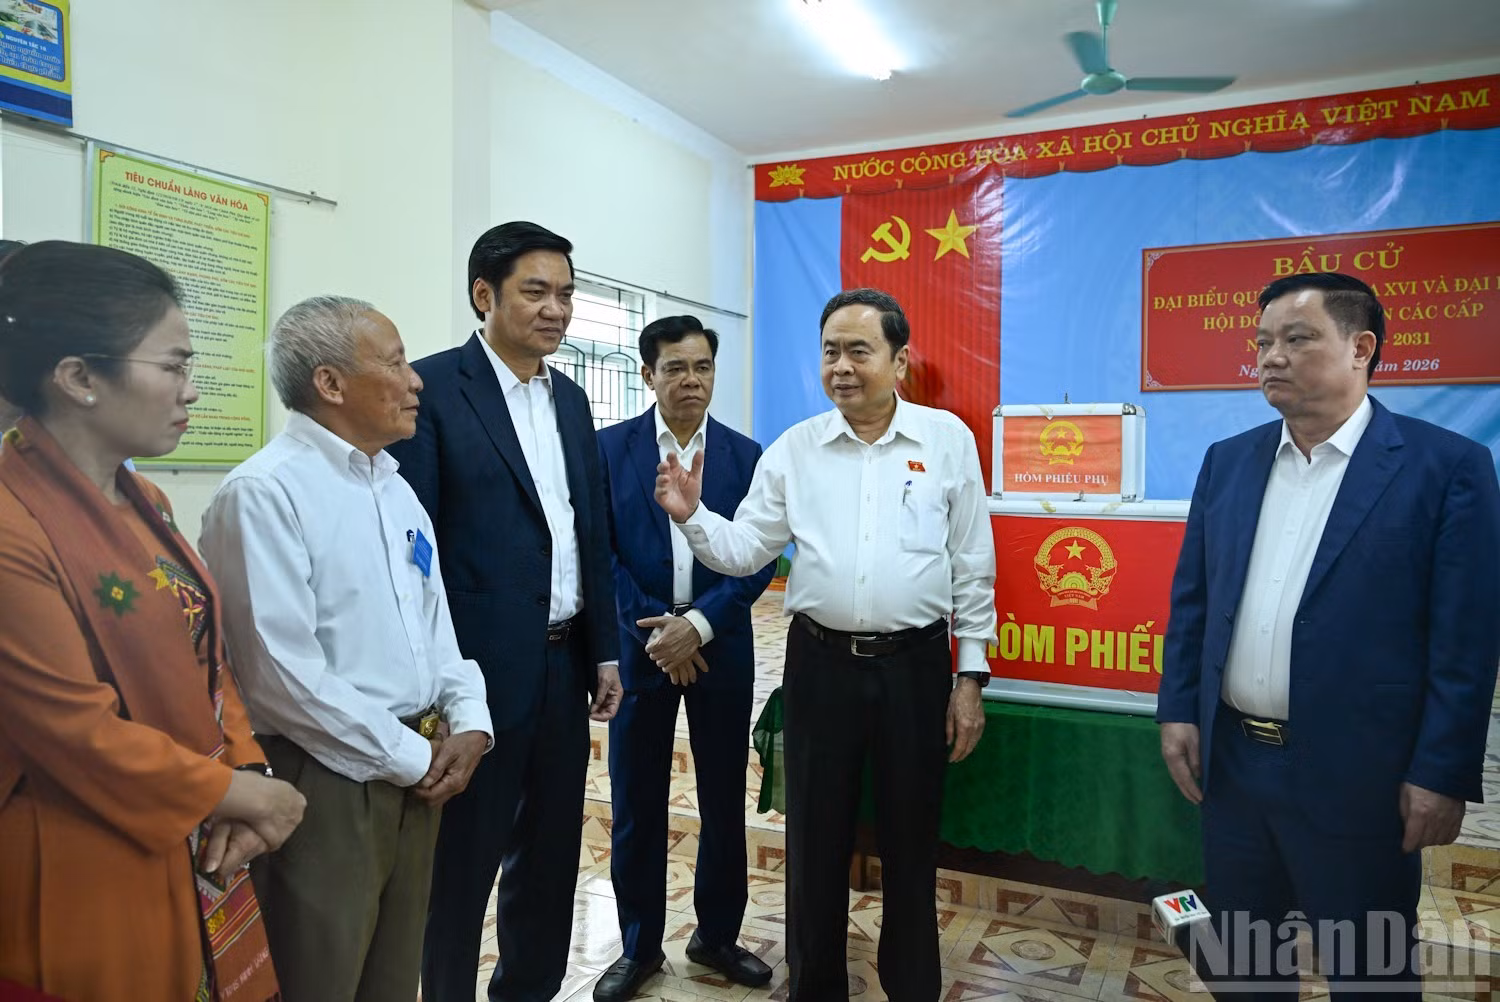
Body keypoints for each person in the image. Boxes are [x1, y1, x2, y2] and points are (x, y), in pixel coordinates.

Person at [1157, 272, 1500, 998]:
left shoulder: (1445, 469)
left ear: (1361, 347)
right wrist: (1178, 710)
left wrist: (1441, 772)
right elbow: (1193, 602)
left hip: (1362, 779)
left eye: (1296, 338)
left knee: (1369, 973)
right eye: (1262, 342)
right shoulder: (1230, 460)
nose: (1270, 357)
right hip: (1236, 769)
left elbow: (1464, 641)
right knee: (1244, 970)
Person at [653, 288, 996, 1002]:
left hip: (916, 667)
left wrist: (970, 679)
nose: (841, 366)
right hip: (821, 668)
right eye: (831, 351)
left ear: (900, 361)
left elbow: (973, 565)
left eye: (859, 350)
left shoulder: (946, 442)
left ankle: (911, 986)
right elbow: (747, 550)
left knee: (910, 840)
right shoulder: (795, 449)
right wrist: (692, 517)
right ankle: (815, 989)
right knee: (814, 842)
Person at [0, 241, 304, 1001]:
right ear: (78, 378)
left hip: (189, 826)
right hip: (80, 852)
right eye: (172, 367)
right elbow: (76, 732)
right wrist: (239, 797)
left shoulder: (147, 502)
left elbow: (210, 656)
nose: (191, 391)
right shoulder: (11, 527)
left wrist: (245, 766)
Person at [200, 296, 493, 1002]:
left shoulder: (393, 489)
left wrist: (472, 716)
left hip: (412, 769)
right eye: (394, 363)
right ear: (330, 384)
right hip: (325, 779)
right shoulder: (265, 493)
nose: (415, 379)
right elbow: (282, 679)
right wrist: (412, 756)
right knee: (320, 976)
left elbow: (435, 624)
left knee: (392, 979)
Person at [387, 221, 622, 1002]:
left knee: (551, 854)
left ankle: (528, 990)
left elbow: (590, 526)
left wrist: (605, 650)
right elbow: (411, 555)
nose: (556, 309)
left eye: (565, 294)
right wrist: (438, 688)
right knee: (463, 862)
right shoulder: (431, 390)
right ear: (484, 294)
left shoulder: (574, 399)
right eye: (535, 291)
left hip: (563, 665)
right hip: (475, 673)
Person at [594, 316, 777, 999]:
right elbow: (599, 551)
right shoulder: (608, 450)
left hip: (719, 647)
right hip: (640, 650)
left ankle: (717, 938)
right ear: (648, 375)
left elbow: (759, 558)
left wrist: (698, 625)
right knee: (637, 801)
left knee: (723, 800)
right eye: (676, 367)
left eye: (702, 367)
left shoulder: (744, 456)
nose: (691, 380)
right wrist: (657, 632)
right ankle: (639, 948)